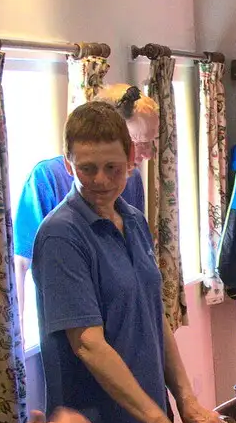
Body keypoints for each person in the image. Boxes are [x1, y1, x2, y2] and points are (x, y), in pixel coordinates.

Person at [32, 100, 231, 423]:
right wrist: (158, 420)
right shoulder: (62, 235)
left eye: (112, 168)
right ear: (68, 165)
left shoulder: (134, 220)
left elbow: (152, 314)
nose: (100, 181)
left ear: (132, 161)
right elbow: (87, 345)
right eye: (86, 169)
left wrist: (186, 400)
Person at [12, 83, 155, 289]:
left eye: (152, 142)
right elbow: (22, 264)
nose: (147, 154)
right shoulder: (46, 180)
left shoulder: (133, 194)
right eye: (140, 143)